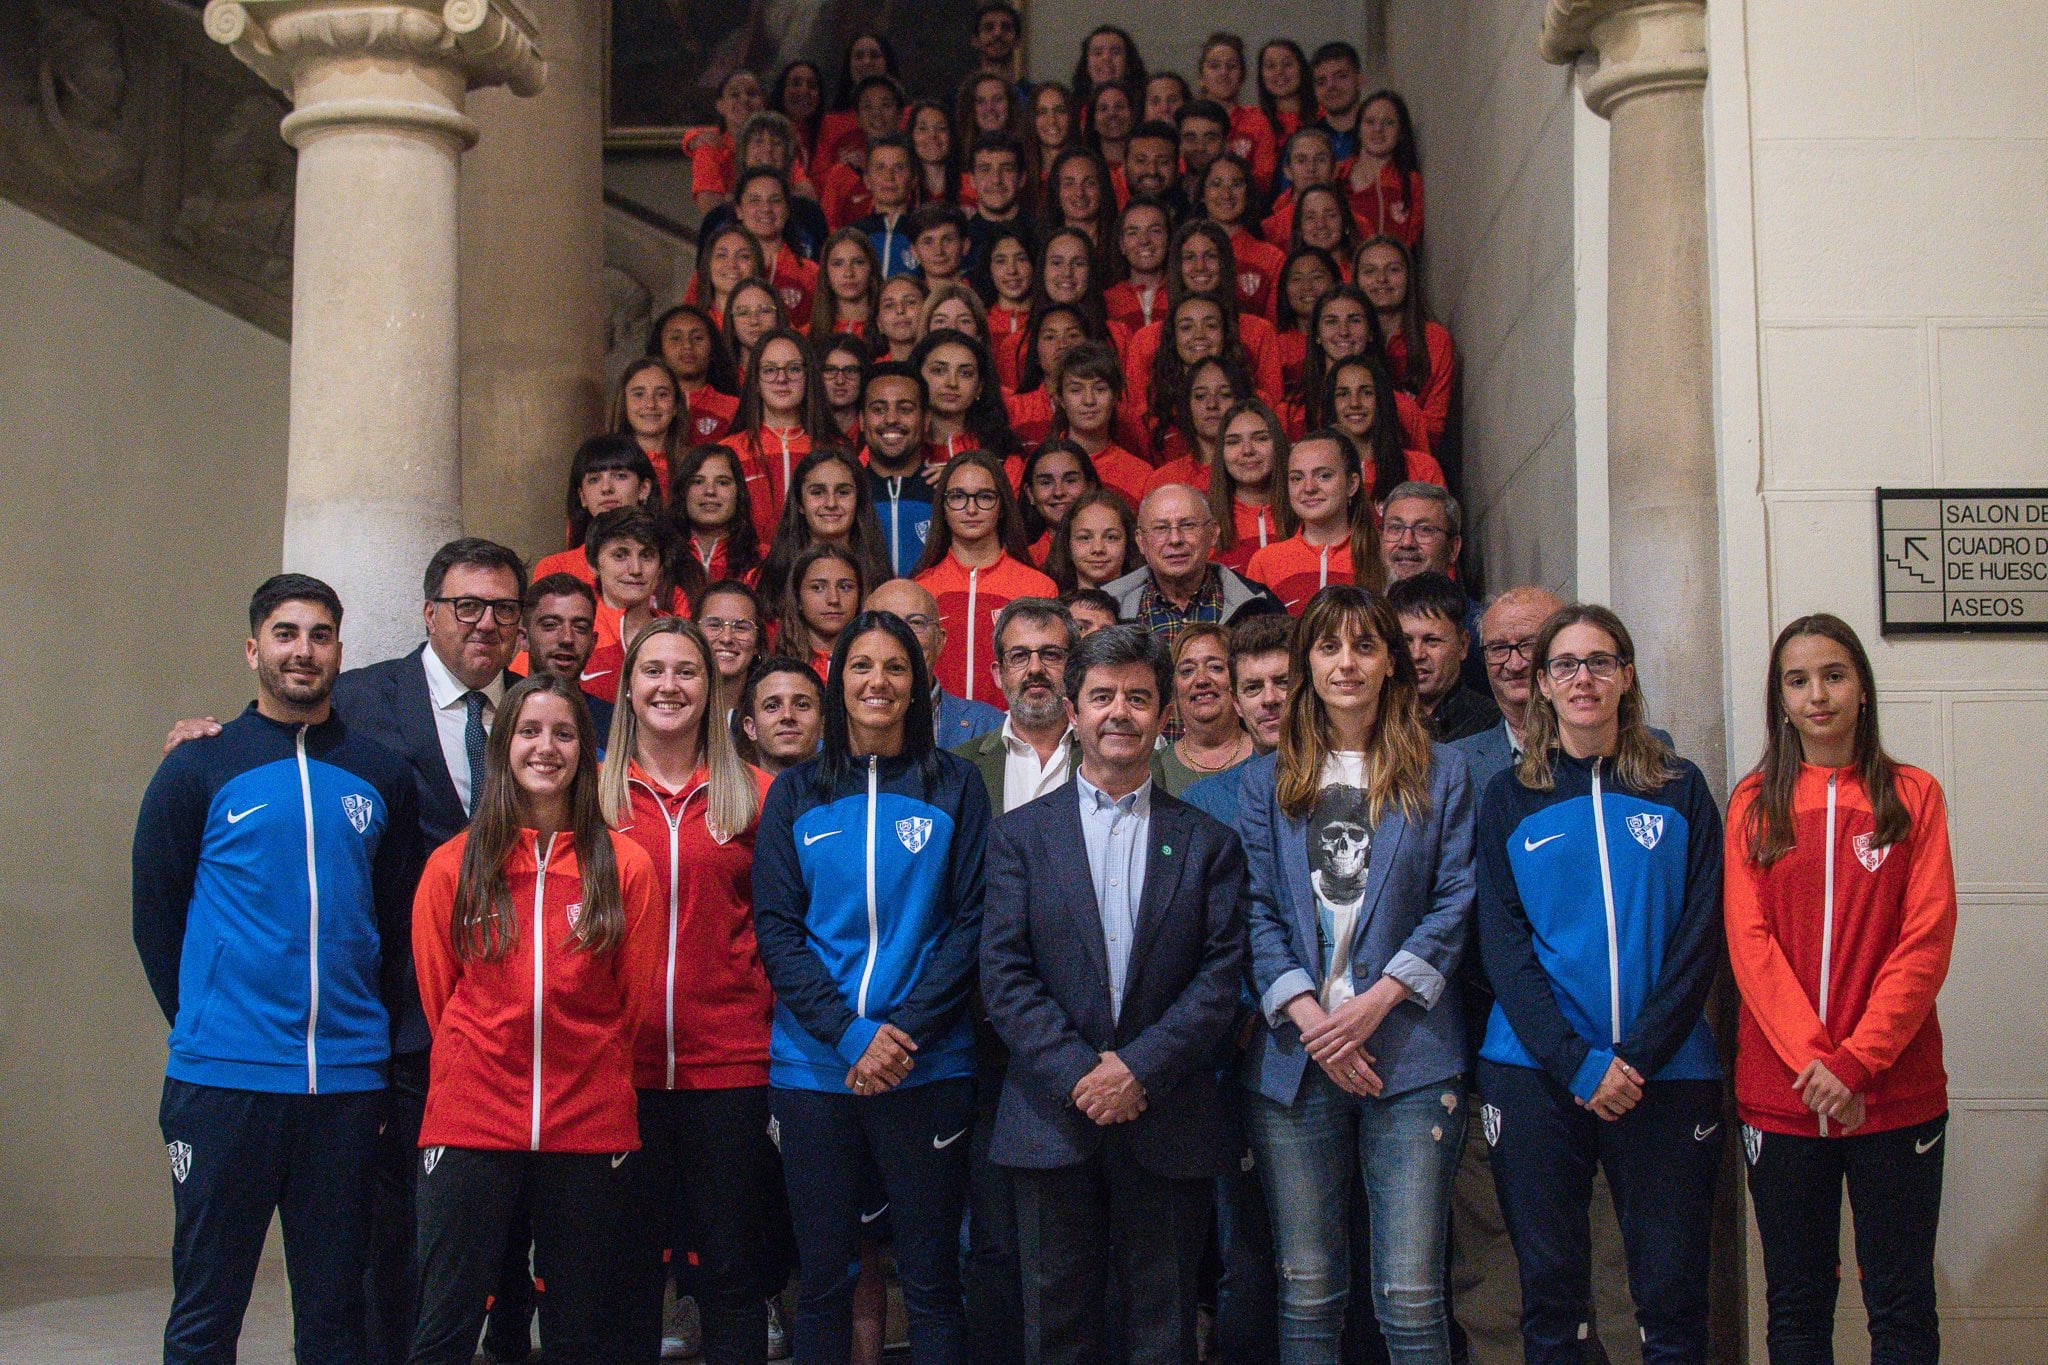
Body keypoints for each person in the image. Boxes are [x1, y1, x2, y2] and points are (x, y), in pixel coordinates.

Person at [134, 575, 421, 1365]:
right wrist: (211, 1018)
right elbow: (155, 920)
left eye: (321, 634)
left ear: (339, 649)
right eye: (287, 633)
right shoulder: (197, 768)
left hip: (346, 1085)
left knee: (336, 1317)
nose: (304, 649)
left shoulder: (381, 775)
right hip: (224, 1082)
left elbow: (397, 933)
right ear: (254, 648)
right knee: (207, 1310)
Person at [981, 623, 1250, 1365]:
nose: (1119, 713)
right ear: (1073, 710)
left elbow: (1220, 978)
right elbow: (1003, 975)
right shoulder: (1017, 837)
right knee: (1056, 1330)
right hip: (1051, 1117)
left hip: (1168, 1113)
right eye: (1102, 696)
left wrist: (1136, 1069)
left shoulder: (1207, 841)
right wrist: (1081, 1073)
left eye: (1138, 696)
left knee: (1162, 1331)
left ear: (1164, 713)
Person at [1475, 605, 1725, 1364]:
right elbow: (1503, 945)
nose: (1583, 678)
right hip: (1537, 1072)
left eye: (1600, 661)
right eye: (1565, 665)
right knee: (1553, 1301)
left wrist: (1638, 1055)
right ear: (1542, 686)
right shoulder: (1508, 796)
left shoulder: (1679, 788)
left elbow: (1699, 935)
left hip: (1667, 1071)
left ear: (1627, 676)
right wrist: (1579, 1062)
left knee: (1672, 1302)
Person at [1236, 584, 1476, 1365]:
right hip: (1295, 1059)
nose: (1347, 662)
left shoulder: (1444, 771)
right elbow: (1256, 907)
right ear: (1307, 661)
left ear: (1390, 664)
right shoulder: (1266, 778)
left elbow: (1454, 898)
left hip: (1408, 1051)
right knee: (1308, 1288)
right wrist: (1314, 1022)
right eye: (1330, 646)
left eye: (1365, 646)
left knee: (1409, 1295)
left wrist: (1374, 1003)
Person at [751, 611, 991, 1364]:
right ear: (837, 682)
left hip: (927, 1064)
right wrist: (852, 1034)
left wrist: (900, 1034)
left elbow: (972, 921)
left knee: (929, 1279)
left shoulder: (956, 784)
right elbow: (777, 929)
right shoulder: (795, 792)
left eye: (896, 667)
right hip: (816, 1068)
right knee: (824, 1279)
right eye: (861, 666)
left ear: (918, 684)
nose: (878, 681)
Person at [406, 674, 661, 1365]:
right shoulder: (452, 866)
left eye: (563, 732)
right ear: (502, 744)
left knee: (580, 1330)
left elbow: (629, 1003)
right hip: (471, 1121)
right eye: (528, 731)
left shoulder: (625, 865)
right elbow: (441, 993)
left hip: (588, 1125)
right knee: (446, 1325)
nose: (545, 747)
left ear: (586, 748)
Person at [1726, 614, 1954, 1365]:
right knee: (1795, 1307)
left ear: (1862, 688)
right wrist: (1819, 1067)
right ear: (1781, 699)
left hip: (1894, 1092)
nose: (1817, 694)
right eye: (1798, 679)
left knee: (1901, 1305)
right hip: (1785, 1098)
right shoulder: (1753, 803)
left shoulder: (1915, 796)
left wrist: (1855, 1064)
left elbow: (1924, 942)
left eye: (1833, 674)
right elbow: (1750, 947)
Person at [601, 620, 781, 1365]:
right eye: (653, 670)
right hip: (618, 1073)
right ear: (629, 688)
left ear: (711, 689)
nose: (669, 684)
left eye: (687, 671)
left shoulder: (758, 794)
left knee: (732, 1271)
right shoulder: (592, 795)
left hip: (730, 1068)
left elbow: (783, 930)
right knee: (626, 1275)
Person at [913, 450, 1058, 709]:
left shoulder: (1038, 588)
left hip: (1009, 735)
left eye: (985, 497)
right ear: (943, 507)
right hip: (934, 733)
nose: (971, 508)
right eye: (958, 497)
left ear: (1002, 506)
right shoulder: (920, 589)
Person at [1105, 484, 1283, 648]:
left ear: (1213, 533)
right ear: (1140, 541)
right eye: (1161, 528)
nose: (1175, 539)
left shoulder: (1258, 605)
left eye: (1188, 525)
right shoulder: (1108, 609)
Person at [1180, 613, 1293, 825]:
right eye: (1253, 688)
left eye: (1283, 683)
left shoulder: (1350, 784)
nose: (1269, 699)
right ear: (1237, 703)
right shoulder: (1203, 803)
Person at [867, 576, 1003, 750]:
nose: (903, 636)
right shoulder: (834, 731)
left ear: (940, 640)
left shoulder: (992, 728)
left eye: (916, 623)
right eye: (887, 623)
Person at [1247, 429, 1371, 613]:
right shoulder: (1265, 561)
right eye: (1297, 478)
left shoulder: (1379, 554)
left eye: (1324, 475)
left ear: (1352, 484)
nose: (1309, 487)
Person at [1378, 481, 1485, 690]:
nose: (1406, 542)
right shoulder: (1365, 622)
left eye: (1424, 530)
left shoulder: (1479, 628)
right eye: (1395, 528)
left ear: (1453, 548)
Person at [725, 328, 829, 542]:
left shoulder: (832, 449)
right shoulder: (730, 451)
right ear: (755, 381)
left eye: (793, 369)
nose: (782, 378)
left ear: (809, 377)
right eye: (769, 370)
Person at [756, 446, 891, 610]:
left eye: (843, 492)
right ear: (799, 503)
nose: (831, 503)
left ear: (859, 501)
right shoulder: (766, 579)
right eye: (817, 492)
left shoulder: (882, 582)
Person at [1355, 235, 1453, 456]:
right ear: (1356, 281)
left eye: (1393, 269)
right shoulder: (1344, 336)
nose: (1381, 279)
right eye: (1370, 271)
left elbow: (1433, 428)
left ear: (1409, 277)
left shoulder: (1435, 339)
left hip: (1412, 458)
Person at [533, 435, 660, 589]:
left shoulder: (669, 564)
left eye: (620, 476)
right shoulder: (554, 568)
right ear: (582, 496)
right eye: (594, 479)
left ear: (643, 489)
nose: (606, 488)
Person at [1389, 572, 1499, 742]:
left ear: (1463, 645)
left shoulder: (1492, 724)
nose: (1417, 654)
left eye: (1431, 641)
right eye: (1406, 641)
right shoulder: (1372, 719)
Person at [860, 362, 938, 577]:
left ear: (925, 420)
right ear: (861, 420)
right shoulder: (846, 494)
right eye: (878, 409)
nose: (892, 419)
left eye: (905, 409)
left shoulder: (947, 492)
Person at [513, 573, 615, 739]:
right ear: (523, 638)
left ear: (592, 643)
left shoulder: (613, 724)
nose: (567, 638)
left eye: (580, 628)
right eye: (551, 625)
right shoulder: (499, 711)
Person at [1160, 623, 1254, 796]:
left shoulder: (1268, 754)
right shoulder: (1156, 767)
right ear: (1174, 686)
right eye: (1187, 671)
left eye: (1215, 667)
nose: (1201, 680)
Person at [666, 444, 764, 602]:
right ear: (682, 491)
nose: (710, 491)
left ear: (739, 492)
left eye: (722, 482)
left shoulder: (764, 561)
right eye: (697, 482)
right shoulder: (659, 556)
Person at [649, 303, 743, 447]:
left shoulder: (734, 408)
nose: (687, 345)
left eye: (698, 338)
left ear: (712, 348)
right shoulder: (646, 405)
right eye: (675, 338)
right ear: (659, 349)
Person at [1209, 399, 1285, 573]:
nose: (1247, 450)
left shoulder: (1307, 515)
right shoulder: (1204, 523)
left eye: (1260, 438)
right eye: (1233, 441)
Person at [777, 542, 865, 681]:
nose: (834, 599)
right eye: (818, 587)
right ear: (797, 598)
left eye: (845, 587)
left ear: (859, 596)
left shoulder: (875, 667)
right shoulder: (775, 669)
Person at [737, 657, 824, 776]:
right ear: (751, 728)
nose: (787, 715)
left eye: (801, 705)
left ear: (822, 723)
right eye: (772, 706)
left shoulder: (849, 793)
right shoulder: (724, 794)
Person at [1045, 488, 1139, 595]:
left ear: (1128, 542)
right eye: (1085, 538)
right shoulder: (1049, 604)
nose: (1098, 549)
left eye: (1111, 537)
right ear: (1067, 543)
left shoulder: (1146, 605)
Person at [850, 132, 919, 276]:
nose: (889, 176)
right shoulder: (853, 235)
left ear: (913, 179)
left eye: (899, 168)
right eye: (880, 168)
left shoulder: (925, 233)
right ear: (867, 180)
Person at [698, 578, 766, 725]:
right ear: (694, 634)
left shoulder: (769, 717)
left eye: (741, 627)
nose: (727, 638)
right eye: (714, 625)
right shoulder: (675, 714)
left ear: (757, 644)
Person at [813, 227, 881, 338]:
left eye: (858, 262)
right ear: (826, 272)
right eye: (838, 264)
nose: (848, 273)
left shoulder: (889, 332)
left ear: (871, 268)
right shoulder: (807, 336)